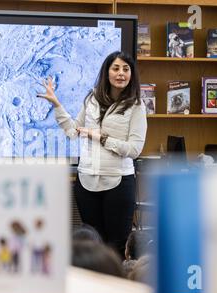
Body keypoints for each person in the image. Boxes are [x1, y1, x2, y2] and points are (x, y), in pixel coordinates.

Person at [37, 51, 147, 259]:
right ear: (107, 72)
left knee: (116, 245)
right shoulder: (92, 98)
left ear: (132, 74)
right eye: (116, 68)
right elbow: (72, 131)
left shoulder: (136, 106)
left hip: (118, 182)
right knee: (92, 245)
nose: (121, 73)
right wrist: (56, 104)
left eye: (126, 69)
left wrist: (102, 138)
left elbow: (134, 149)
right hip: (86, 181)